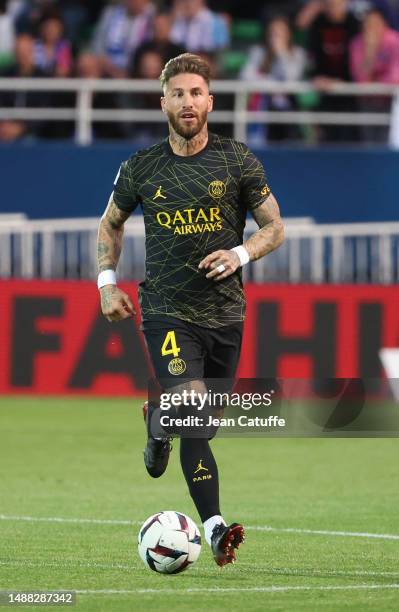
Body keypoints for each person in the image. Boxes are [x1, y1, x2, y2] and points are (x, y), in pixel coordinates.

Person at [96, 53, 284, 566]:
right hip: (166, 311)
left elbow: (274, 227)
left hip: (226, 314)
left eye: (196, 93)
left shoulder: (237, 161)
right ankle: (217, 527)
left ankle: (159, 424)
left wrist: (241, 253)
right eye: (177, 93)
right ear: (163, 103)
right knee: (197, 412)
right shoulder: (141, 166)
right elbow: (110, 224)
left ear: (210, 101)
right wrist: (107, 284)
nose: (187, 102)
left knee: (199, 424)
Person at [241, 15, 307, 144]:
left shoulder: (298, 53)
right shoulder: (258, 52)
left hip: (288, 108)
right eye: (273, 32)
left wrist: (281, 52)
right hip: (264, 107)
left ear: (289, 34)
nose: (276, 36)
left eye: (280, 32)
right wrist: (271, 84)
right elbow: (245, 76)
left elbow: (291, 80)